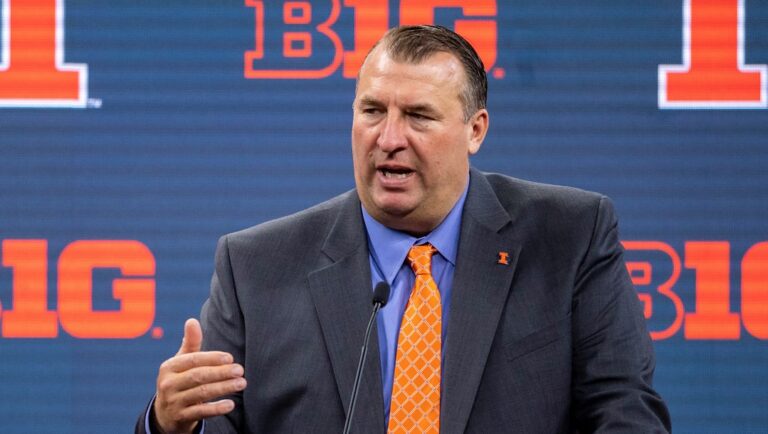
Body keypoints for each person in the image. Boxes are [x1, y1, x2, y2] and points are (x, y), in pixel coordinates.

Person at [137, 25, 671, 433]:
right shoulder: (253, 267)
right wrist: (167, 424)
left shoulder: (569, 237)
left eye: (418, 116)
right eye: (372, 110)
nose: (389, 138)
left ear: (475, 130)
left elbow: (625, 414)